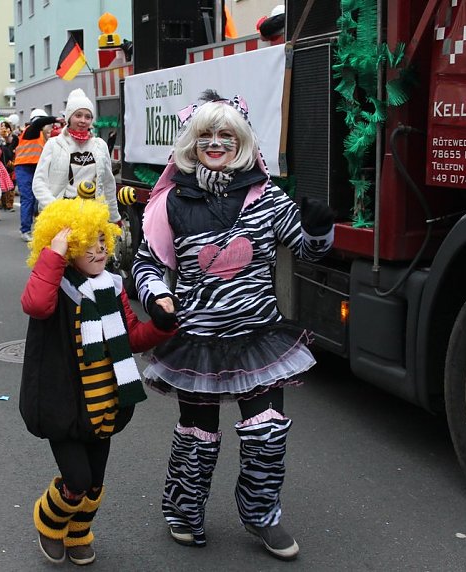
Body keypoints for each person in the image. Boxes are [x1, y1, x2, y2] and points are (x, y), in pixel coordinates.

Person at [132, 92, 335, 560]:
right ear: (192, 141)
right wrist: (158, 298)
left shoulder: (264, 196)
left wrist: (318, 230)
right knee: (197, 434)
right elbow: (146, 263)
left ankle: (263, 517)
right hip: (198, 340)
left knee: (266, 430)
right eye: (206, 135)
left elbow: (306, 251)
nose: (216, 143)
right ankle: (185, 512)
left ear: (242, 141)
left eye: (226, 135)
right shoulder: (172, 202)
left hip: (257, 337)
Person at [20, 197, 175, 566]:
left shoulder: (112, 286)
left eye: (102, 240)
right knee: (75, 480)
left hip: (104, 404)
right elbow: (35, 303)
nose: (100, 248)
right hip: (63, 407)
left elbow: (132, 335)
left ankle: (78, 534)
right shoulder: (56, 286)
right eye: (88, 243)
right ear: (69, 249)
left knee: (94, 484)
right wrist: (54, 253)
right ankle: (49, 520)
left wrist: (162, 327)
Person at [32, 89, 120, 226]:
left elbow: (108, 183)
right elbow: (39, 182)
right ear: (69, 117)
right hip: (61, 216)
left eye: (87, 117)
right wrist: (55, 208)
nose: (83, 121)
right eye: (78, 115)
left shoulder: (100, 145)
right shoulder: (53, 144)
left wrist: (114, 217)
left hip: (92, 215)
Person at [13, 108, 56, 242]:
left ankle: (40, 228)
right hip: (24, 167)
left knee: (40, 198)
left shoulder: (43, 137)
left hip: (37, 168)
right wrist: (56, 119)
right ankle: (25, 230)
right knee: (28, 198)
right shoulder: (31, 131)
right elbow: (39, 123)